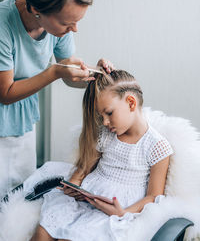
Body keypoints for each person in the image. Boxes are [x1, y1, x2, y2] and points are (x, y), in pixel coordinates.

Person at [0, 0, 113, 199]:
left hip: (21, 121)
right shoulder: (2, 25)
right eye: (66, 23)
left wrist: (93, 75)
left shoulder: (58, 28)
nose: (74, 29)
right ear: (37, 9)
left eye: (77, 21)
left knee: (20, 196)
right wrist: (53, 72)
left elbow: (67, 70)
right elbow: (5, 93)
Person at [30, 70, 173, 241]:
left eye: (109, 113)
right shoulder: (106, 134)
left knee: (70, 238)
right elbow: (84, 168)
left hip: (117, 209)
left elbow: (153, 197)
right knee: (44, 230)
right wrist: (73, 185)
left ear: (131, 103)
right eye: (101, 116)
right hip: (89, 197)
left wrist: (123, 213)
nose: (104, 122)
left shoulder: (157, 146)